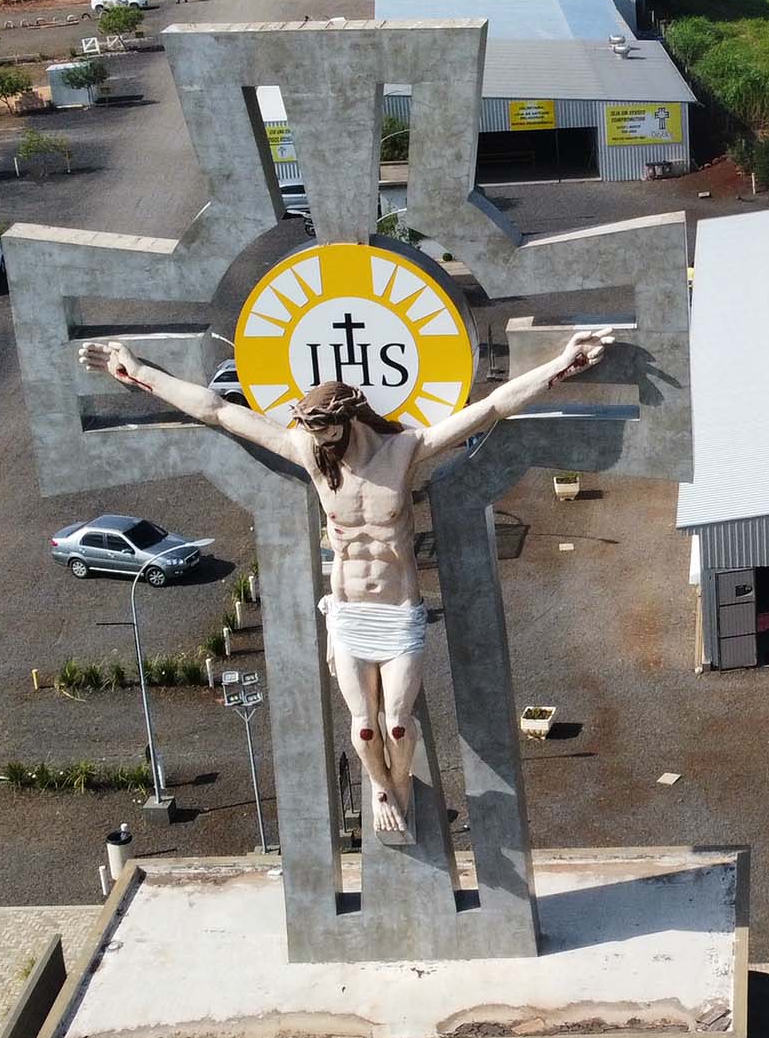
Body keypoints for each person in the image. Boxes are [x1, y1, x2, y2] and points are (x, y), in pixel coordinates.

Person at [76, 326, 614, 840]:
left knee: (398, 725)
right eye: (312, 434)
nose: (320, 444)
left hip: (399, 612)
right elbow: (219, 411)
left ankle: (399, 783)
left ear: (347, 418)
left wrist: (561, 366)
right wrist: (141, 372)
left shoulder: (403, 450)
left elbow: (490, 407)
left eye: (326, 432)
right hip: (350, 614)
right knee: (363, 728)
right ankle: (380, 789)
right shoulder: (311, 452)